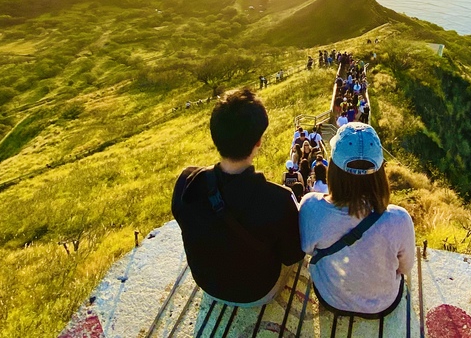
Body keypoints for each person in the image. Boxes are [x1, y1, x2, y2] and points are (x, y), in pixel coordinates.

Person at [172, 88, 304, 307]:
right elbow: (292, 256)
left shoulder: (187, 182)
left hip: (206, 282)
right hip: (256, 292)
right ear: (258, 142)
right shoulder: (278, 200)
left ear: (215, 136)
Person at [299, 122, 415, 317]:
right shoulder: (399, 219)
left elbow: (307, 249)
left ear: (333, 168)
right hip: (382, 304)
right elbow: (405, 267)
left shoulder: (311, 206)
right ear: (380, 172)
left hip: (330, 297)